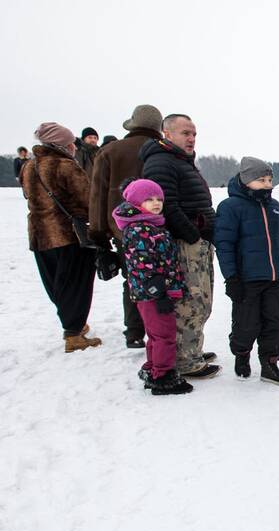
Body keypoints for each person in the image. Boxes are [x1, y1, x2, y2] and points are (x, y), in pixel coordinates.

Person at [140, 113, 220, 378]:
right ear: (167, 133)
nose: (191, 138)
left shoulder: (179, 160)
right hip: (184, 244)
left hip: (196, 242)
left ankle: (190, 349)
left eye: (194, 133)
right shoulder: (161, 162)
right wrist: (192, 235)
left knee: (201, 301)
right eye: (185, 133)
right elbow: (167, 206)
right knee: (191, 302)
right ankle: (185, 360)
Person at [214, 157, 279, 386]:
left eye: (269, 179)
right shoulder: (231, 207)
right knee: (246, 323)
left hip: (272, 278)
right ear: (246, 180)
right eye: (261, 180)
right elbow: (224, 245)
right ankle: (242, 355)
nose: (267, 184)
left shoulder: (274, 207)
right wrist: (231, 278)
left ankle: (270, 364)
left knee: (274, 322)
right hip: (246, 280)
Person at [89, 103, 164, 348]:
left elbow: (98, 195)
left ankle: (134, 332)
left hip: (121, 227)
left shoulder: (110, 151)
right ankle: (160, 331)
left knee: (131, 279)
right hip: (160, 226)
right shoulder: (163, 149)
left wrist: (98, 233)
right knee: (163, 279)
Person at [21, 122, 101, 352]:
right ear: (64, 145)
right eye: (72, 143)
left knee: (56, 283)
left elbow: (27, 194)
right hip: (68, 234)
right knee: (76, 283)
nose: (75, 147)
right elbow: (88, 199)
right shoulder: (66, 166)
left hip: (39, 235)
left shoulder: (29, 166)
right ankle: (73, 334)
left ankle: (72, 323)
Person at [112, 178, 192, 395]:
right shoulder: (140, 229)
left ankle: (152, 367)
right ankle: (163, 377)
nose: (156, 203)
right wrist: (159, 293)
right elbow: (144, 265)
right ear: (137, 202)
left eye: (159, 199)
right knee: (164, 334)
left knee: (156, 334)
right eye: (149, 199)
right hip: (154, 294)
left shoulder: (150, 224)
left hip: (153, 292)